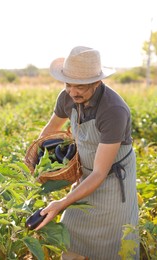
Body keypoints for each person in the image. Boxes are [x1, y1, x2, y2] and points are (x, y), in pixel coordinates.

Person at [35, 46, 139, 260]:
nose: (73, 91)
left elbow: (100, 173)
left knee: (112, 246)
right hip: (85, 176)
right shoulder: (66, 97)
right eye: (68, 84)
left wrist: (61, 203)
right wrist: (37, 157)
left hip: (112, 181)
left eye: (80, 86)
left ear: (97, 81)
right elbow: (50, 130)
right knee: (70, 236)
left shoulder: (113, 111)